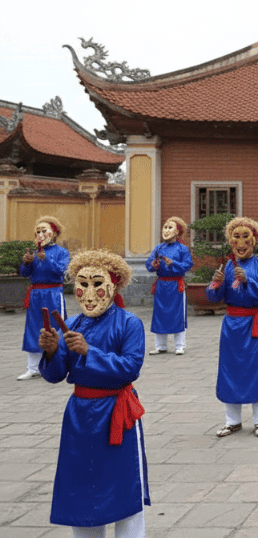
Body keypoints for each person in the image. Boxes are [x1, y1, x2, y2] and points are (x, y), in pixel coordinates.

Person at [38, 249, 150, 537]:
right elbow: (55, 375)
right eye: (82, 284)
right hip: (79, 416)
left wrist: (90, 351)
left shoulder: (130, 324)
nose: (89, 292)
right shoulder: (72, 324)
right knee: (81, 489)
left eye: (97, 284)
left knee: (124, 487)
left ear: (113, 285)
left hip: (117, 412)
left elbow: (130, 368)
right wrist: (52, 351)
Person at [207, 217, 258, 438]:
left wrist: (249, 282)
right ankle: (232, 421)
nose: (241, 242)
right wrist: (216, 284)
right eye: (236, 237)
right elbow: (215, 297)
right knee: (230, 371)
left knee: (257, 371)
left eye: (245, 237)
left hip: (254, 324)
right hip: (231, 325)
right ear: (231, 241)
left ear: (254, 240)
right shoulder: (227, 266)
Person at [18, 215, 71, 380]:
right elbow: (24, 274)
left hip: (53, 293)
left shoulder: (62, 252)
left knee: (56, 326)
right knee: (34, 328)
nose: (40, 234)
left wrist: (46, 259)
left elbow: (61, 272)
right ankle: (33, 367)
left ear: (54, 233)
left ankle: (61, 363)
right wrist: (26, 263)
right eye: (37, 231)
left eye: (44, 230)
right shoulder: (34, 253)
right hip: (35, 295)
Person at [145, 217, 193, 356]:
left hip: (175, 285)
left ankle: (180, 345)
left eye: (170, 228)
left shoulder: (182, 249)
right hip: (161, 286)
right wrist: (153, 265)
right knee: (159, 315)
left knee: (178, 315)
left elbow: (187, 266)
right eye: (165, 227)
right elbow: (148, 264)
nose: (166, 230)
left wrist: (173, 263)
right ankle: (160, 346)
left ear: (177, 232)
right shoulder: (159, 248)